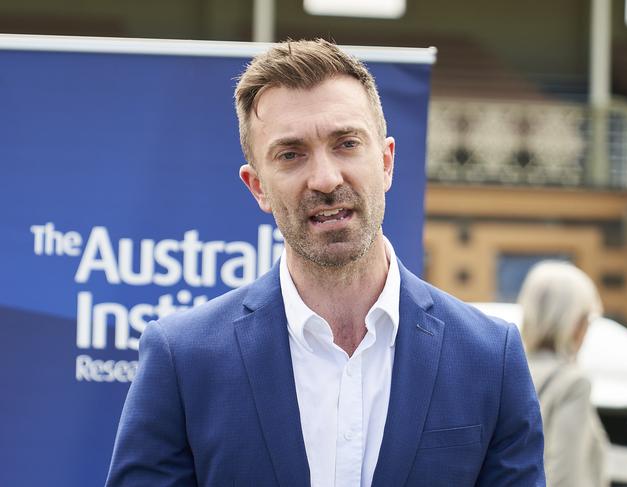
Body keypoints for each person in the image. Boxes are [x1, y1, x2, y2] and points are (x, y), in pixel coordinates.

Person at [106, 39, 544, 486]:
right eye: (291, 154)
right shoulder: (183, 360)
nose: (326, 178)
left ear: (387, 161)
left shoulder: (490, 358)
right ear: (257, 186)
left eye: (346, 143)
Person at [518, 260, 608, 487]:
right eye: (587, 319)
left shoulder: (510, 371)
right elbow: (565, 477)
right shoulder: (572, 383)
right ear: (573, 320)